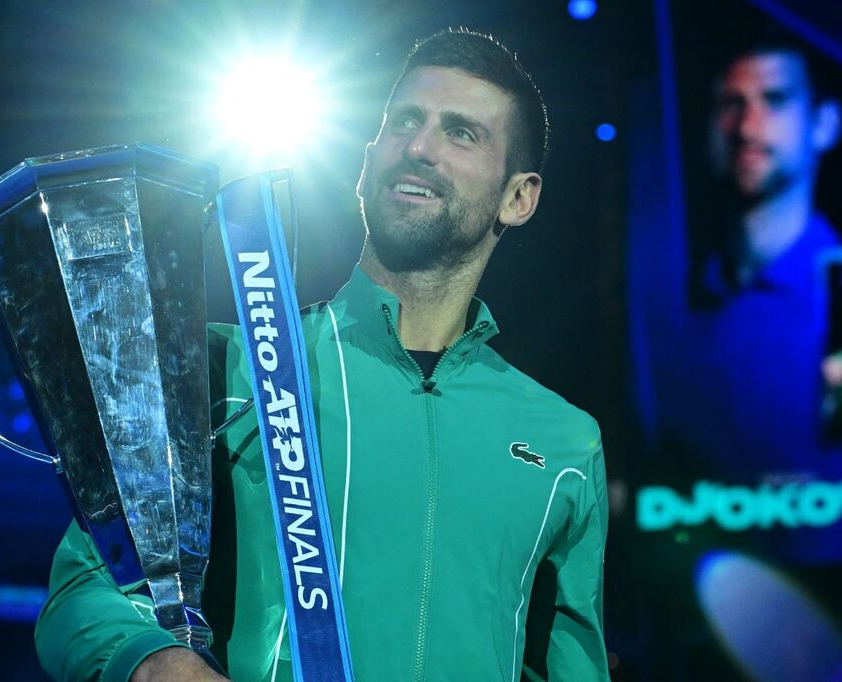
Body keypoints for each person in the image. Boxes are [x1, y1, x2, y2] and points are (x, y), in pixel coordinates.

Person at [35, 28, 610, 681]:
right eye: (403, 122)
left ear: (519, 196)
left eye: (461, 133)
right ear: (365, 165)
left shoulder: (564, 441)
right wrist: (158, 663)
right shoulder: (226, 367)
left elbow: (572, 666)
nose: (418, 147)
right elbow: (85, 589)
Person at [637, 37, 842, 481]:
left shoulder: (833, 293)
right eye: (732, 103)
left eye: (775, 99)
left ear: (824, 124)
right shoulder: (663, 303)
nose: (748, 126)